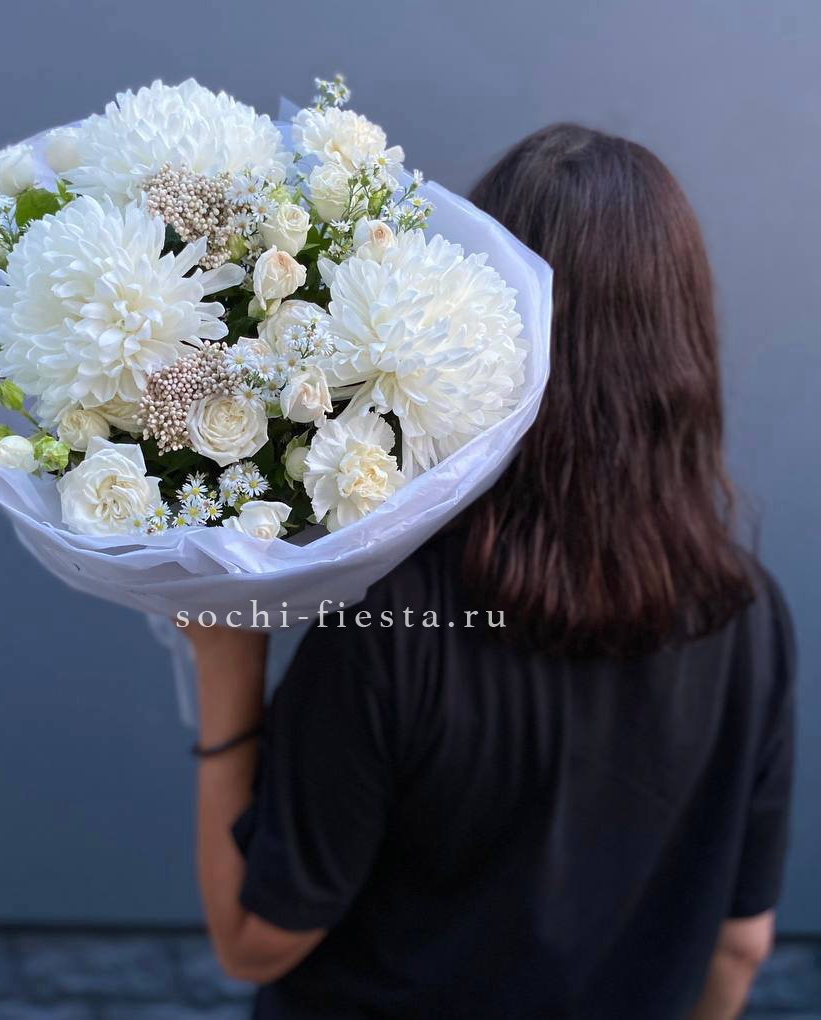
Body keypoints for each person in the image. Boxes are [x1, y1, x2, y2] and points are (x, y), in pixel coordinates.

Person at [183, 124, 796, 1020]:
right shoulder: (747, 615)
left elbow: (252, 941)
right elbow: (741, 945)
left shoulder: (391, 623)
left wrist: (225, 664)